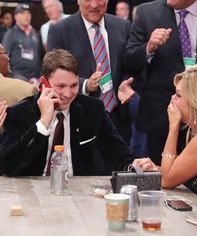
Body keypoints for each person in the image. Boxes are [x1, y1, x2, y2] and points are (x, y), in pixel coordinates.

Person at [123, 0, 197, 165]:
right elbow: (129, 62)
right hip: (160, 117)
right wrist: (149, 48)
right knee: (160, 179)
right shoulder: (147, 12)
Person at [0, 49, 135, 176]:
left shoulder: (93, 109)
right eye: (61, 86)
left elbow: (117, 151)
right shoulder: (20, 112)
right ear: (43, 83)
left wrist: (134, 165)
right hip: (32, 193)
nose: (68, 94)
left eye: (74, 85)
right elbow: (9, 166)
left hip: (80, 192)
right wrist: (43, 123)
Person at [133, 63, 197, 211]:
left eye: (179, 95)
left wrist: (173, 126)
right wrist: (156, 169)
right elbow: (177, 173)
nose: (172, 99)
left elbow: (167, 180)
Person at [47, 0, 132, 145]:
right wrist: (85, 85)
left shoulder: (123, 26)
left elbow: (130, 63)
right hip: (79, 118)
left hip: (119, 116)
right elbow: (52, 72)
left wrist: (127, 82)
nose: (94, 5)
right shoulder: (61, 30)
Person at [2, 4, 42, 82]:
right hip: (17, 77)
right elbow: (4, 57)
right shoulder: (10, 33)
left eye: (28, 13)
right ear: (16, 16)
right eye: (23, 13)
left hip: (35, 78)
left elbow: (39, 55)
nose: (26, 16)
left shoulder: (34, 33)